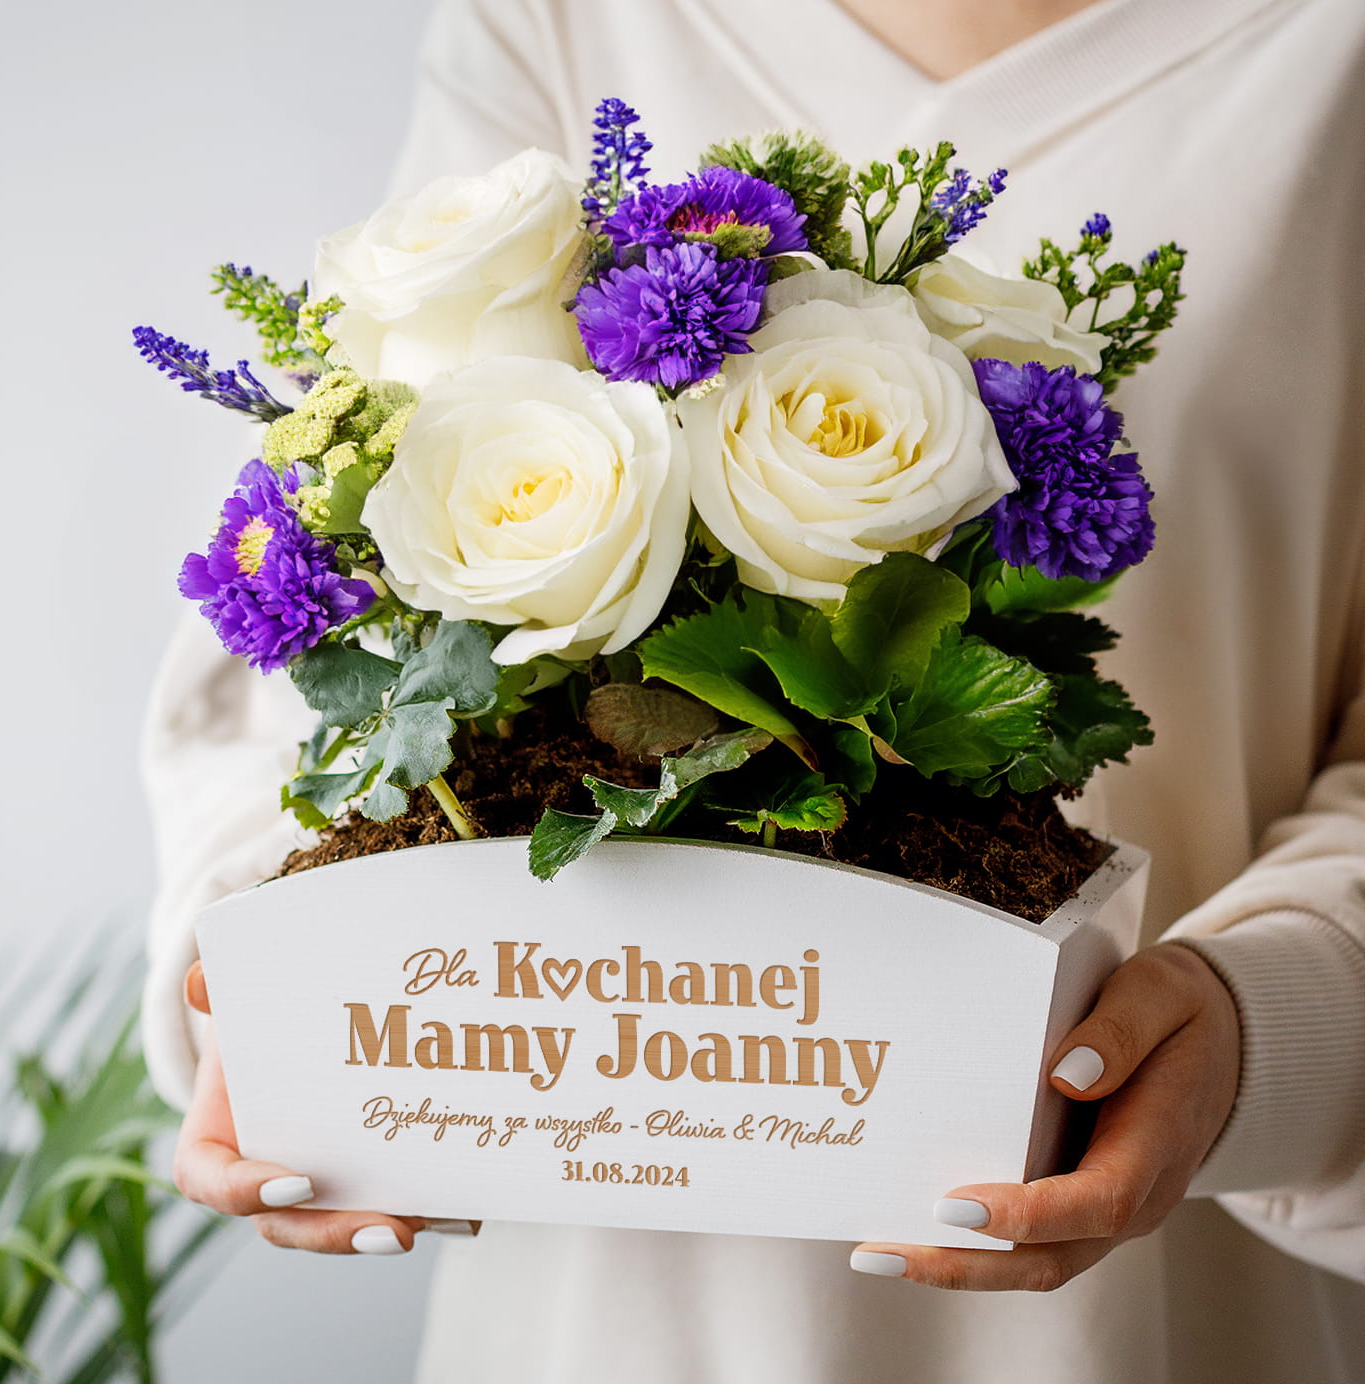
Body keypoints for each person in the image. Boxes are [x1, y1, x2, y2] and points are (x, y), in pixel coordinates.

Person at [144, 0, 1365, 1379]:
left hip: (1158, 1301)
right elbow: (303, 651)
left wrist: (1272, 1020)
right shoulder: (556, 22)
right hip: (600, 1298)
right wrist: (275, 992)